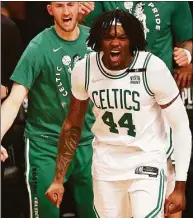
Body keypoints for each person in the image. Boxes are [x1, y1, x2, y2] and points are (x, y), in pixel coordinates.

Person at [46, 10, 192, 218]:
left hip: (146, 159)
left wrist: (179, 186)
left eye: (122, 38)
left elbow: (180, 127)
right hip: (106, 163)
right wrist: (58, 179)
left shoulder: (152, 68)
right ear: (98, 40)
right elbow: (72, 124)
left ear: (132, 41)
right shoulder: (85, 70)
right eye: (108, 37)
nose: (115, 43)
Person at [1, 2, 96, 218]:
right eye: (59, 6)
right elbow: (15, 99)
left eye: (70, 4)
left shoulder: (95, 42)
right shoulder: (38, 47)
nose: (66, 12)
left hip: (88, 143)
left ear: (79, 7)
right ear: (50, 10)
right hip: (45, 145)